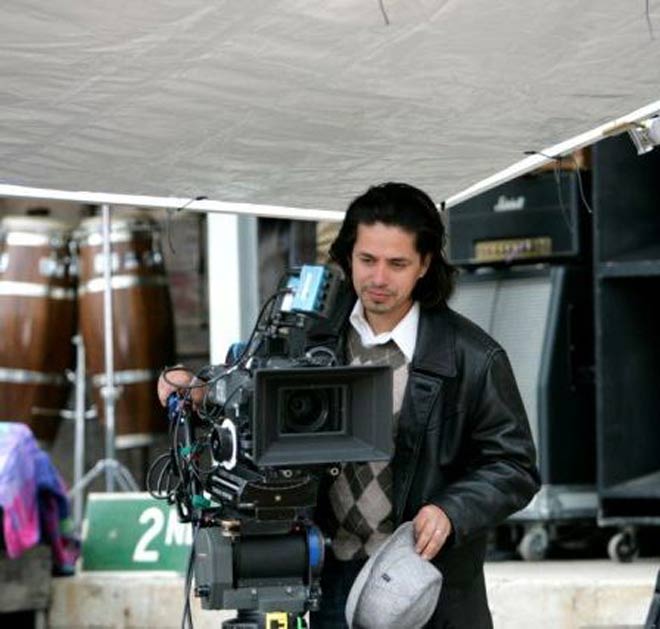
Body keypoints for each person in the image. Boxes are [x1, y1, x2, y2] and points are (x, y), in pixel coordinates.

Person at [158, 182, 540, 628]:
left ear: (425, 264)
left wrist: (451, 511)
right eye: (367, 260)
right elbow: (250, 388)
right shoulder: (307, 334)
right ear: (347, 256)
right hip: (324, 579)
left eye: (397, 264)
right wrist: (200, 389)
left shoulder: (472, 356)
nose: (378, 279)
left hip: (423, 584)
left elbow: (514, 465)